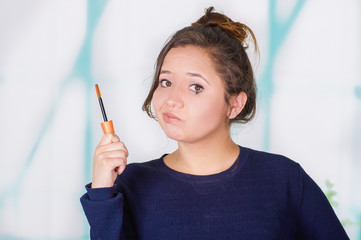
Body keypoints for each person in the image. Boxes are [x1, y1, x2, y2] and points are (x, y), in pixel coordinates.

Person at [80, 7, 349, 240]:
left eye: (195, 87)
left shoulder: (285, 179)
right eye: (166, 82)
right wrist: (103, 192)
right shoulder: (128, 184)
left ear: (234, 104)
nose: (172, 99)